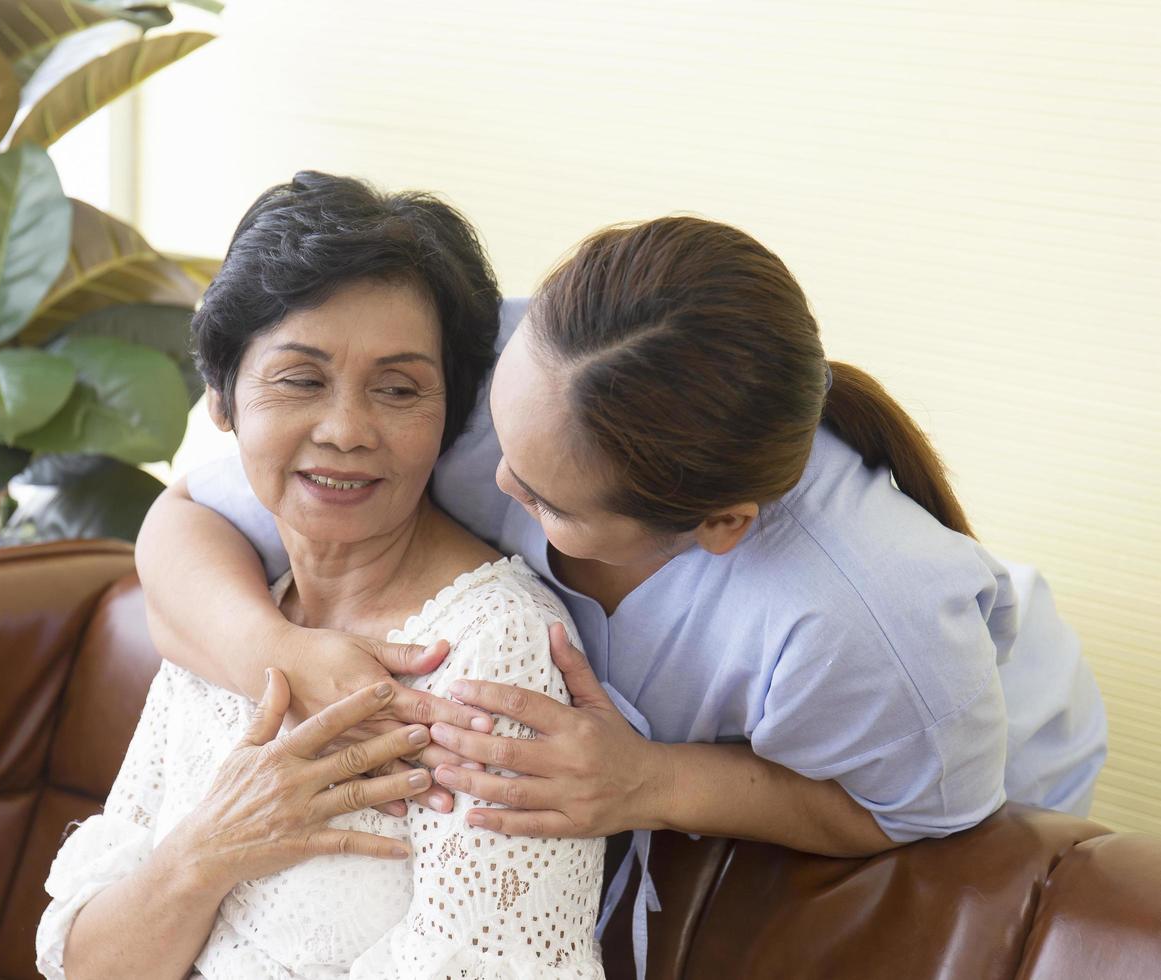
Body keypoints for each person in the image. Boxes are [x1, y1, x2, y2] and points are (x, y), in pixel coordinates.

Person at [137, 213, 1108, 976]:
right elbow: (186, 518)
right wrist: (288, 654)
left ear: (720, 524)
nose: (491, 483)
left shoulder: (856, 626)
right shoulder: (495, 382)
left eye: (544, 496)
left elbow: (903, 810)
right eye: (501, 443)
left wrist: (653, 780)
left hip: (939, 758)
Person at [36, 172, 608, 979]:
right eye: (300, 379)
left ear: (451, 414)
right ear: (223, 398)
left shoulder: (492, 653)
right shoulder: (236, 616)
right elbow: (88, 964)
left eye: (399, 388)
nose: (345, 430)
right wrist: (208, 850)